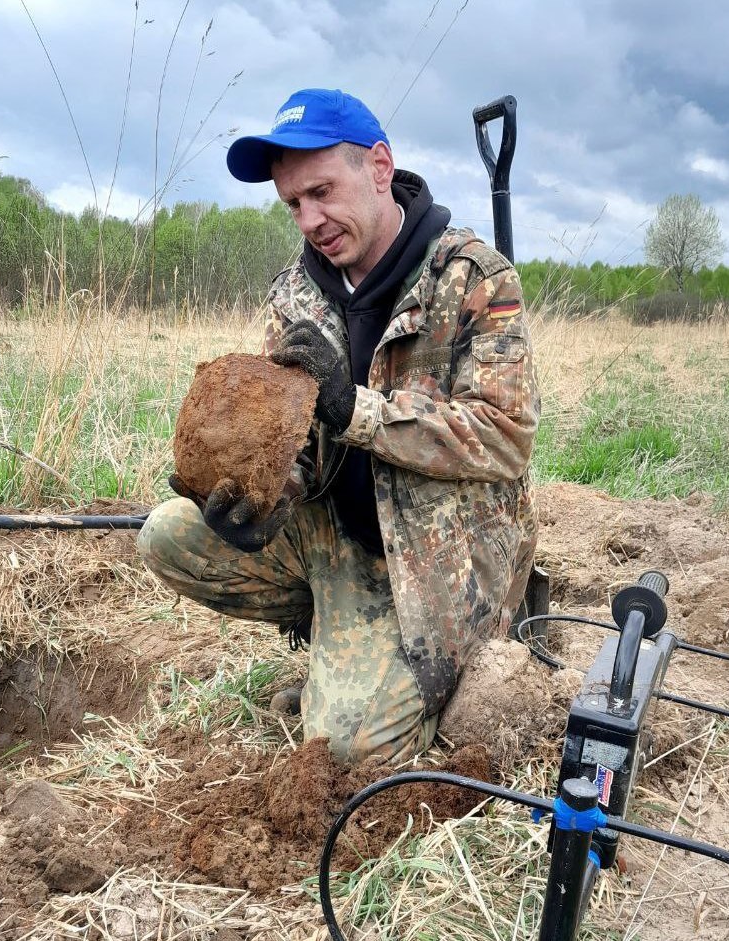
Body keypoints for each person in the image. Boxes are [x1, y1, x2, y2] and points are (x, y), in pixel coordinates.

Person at [138, 88, 539, 764]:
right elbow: (292, 434)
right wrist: (274, 496)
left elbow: (506, 435)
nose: (310, 219)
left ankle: (427, 647)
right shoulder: (296, 291)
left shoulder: (474, 276)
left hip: (431, 558)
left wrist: (357, 408)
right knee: (168, 536)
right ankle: (335, 626)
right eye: (293, 203)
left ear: (379, 166)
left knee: (346, 748)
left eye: (321, 191)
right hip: (334, 530)